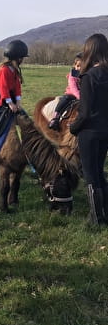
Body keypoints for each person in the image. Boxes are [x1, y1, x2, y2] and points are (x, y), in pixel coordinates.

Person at [70, 33, 108, 225]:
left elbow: (84, 113)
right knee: (99, 171)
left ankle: (96, 217)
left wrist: (73, 128)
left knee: (90, 173)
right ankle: (105, 211)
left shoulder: (88, 76)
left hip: (89, 133)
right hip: (105, 132)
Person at [48, 54, 82, 131]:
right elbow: (73, 88)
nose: (79, 68)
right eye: (78, 66)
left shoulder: (85, 74)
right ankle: (55, 117)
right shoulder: (73, 74)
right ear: (75, 65)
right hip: (71, 94)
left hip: (82, 95)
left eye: (82, 66)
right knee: (64, 100)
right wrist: (80, 97)